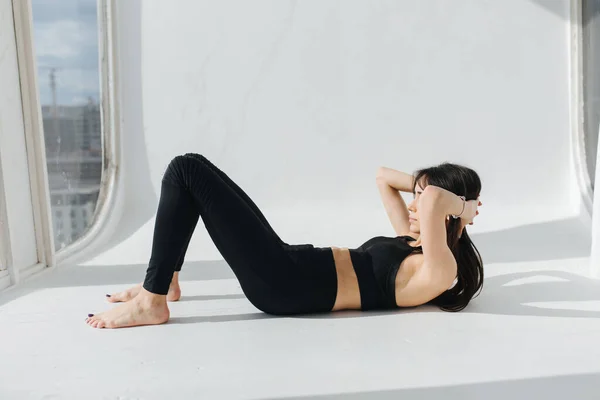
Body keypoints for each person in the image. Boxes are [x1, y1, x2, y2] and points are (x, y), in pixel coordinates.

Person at [85, 152, 483, 329]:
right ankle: (167, 279)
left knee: (184, 170)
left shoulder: (439, 270)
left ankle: (152, 302)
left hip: (285, 285)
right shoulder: (410, 243)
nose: (414, 206)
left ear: (447, 213)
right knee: (194, 169)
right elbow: (383, 176)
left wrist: (463, 208)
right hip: (290, 264)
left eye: (424, 202)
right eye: (415, 198)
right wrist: (435, 194)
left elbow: (430, 200)